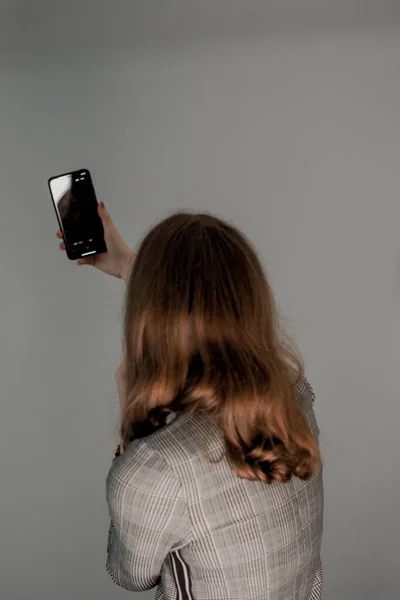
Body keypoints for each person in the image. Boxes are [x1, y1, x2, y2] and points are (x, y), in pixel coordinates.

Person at [57, 204, 323, 600]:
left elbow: (129, 574)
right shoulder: (293, 398)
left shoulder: (156, 470)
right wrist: (130, 266)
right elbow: (210, 314)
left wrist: (135, 426)